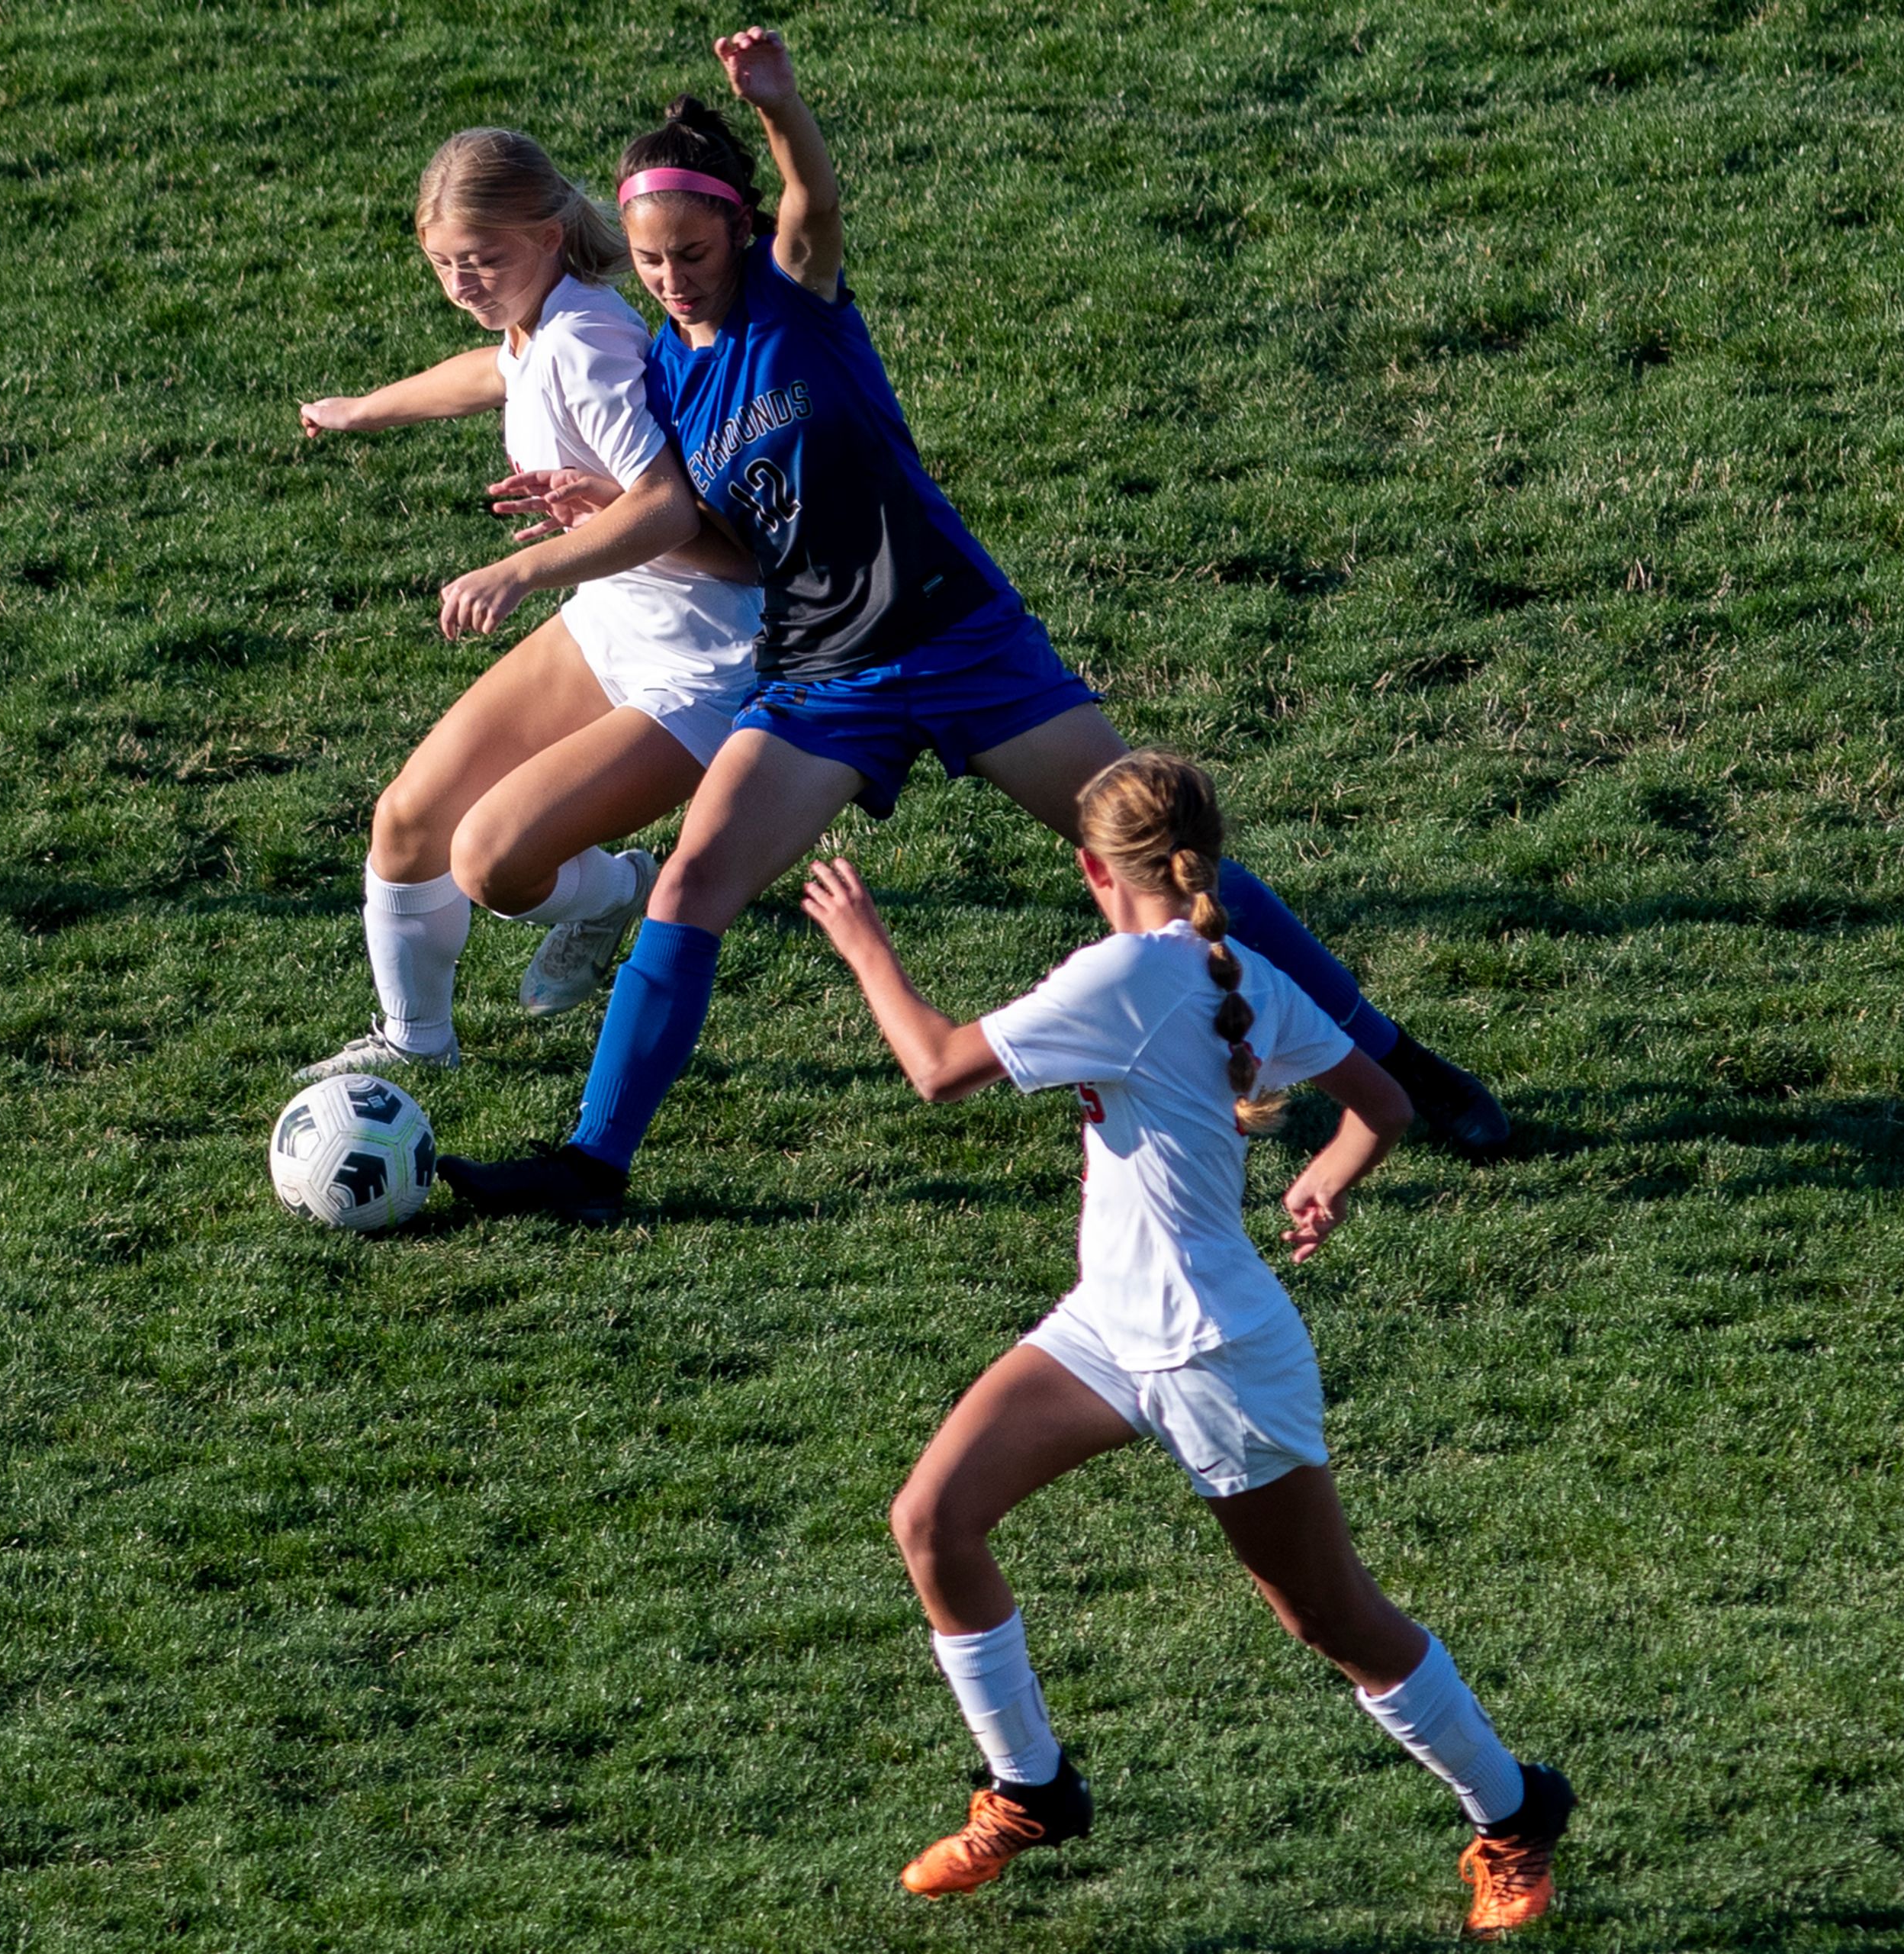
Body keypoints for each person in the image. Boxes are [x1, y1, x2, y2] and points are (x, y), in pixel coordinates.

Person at [439, 30, 1505, 1220]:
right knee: (689, 884)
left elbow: (812, 197)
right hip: (823, 675)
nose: (674, 278)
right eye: (648, 261)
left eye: (692, 251)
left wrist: (784, 107)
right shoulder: (672, 381)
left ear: (737, 229)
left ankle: (1402, 1067)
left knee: (1164, 857)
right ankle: (594, 1165)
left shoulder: (798, 302)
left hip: (962, 641)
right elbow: (711, 531)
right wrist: (589, 530)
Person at [798, 750, 1572, 1936]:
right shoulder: (1234, 966)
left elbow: (939, 1068)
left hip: (1216, 1354)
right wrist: (1330, 1174)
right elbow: (1388, 1103)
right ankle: (1030, 1789)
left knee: (1330, 1618)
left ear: (1091, 868)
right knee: (932, 1519)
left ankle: (1513, 1814)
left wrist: (865, 946)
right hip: (1107, 1326)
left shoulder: (1126, 974)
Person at [291, 128, 763, 1081]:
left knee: (494, 865)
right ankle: (414, 1041)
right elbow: (494, 372)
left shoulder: (586, 345)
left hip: (699, 664)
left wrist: (518, 573)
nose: (463, 282)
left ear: (549, 236)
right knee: (407, 824)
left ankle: (614, 890)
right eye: (443, 264)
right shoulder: (539, 322)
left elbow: (667, 505)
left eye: (482, 259)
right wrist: (364, 407)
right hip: (613, 621)